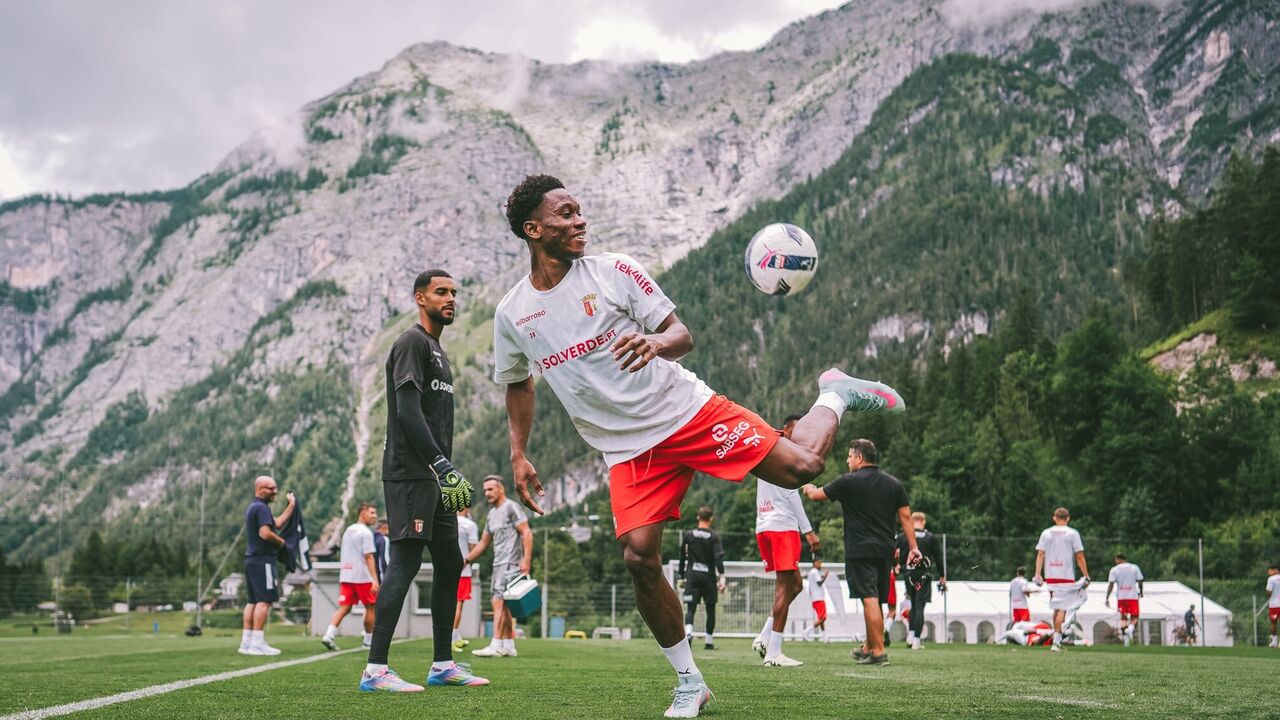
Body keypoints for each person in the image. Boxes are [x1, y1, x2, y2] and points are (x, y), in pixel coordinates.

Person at [492, 175, 904, 718]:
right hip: (627, 450)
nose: (579, 221)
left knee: (802, 467)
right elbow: (518, 382)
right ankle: (691, 681)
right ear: (533, 229)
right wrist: (519, 454)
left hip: (687, 413)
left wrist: (654, 342)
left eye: (579, 211)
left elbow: (680, 334)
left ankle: (834, 393)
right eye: (565, 214)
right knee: (639, 557)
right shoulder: (513, 313)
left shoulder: (614, 271)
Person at [360, 269, 486, 692]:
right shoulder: (412, 343)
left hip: (436, 476)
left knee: (450, 562)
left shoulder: (438, 350)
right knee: (406, 561)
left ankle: (442, 665)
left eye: (454, 292)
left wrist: (443, 469)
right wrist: (440, 464)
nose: (450, 298)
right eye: (441, 292)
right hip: (412, 472)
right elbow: (407, 412)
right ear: (420, 298)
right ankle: (375, 670)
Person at [803, 438, 920, 666]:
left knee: (869, 598)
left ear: (859, 457)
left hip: (860, 550)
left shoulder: (848, 481)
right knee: (875, 600)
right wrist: (913, 547)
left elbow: (817, 495)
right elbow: (906, 517)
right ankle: (869, 646)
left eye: (849, 457)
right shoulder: (893, 484)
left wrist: (807, 487)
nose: (847, 461)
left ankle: (878, 651)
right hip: (886, 550)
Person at [751, 414, 821, 667]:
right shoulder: (788, 453)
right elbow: (792, 496)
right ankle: (774, 653)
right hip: (782, 527)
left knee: (795, 585)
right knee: (784, 587)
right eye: (798, 429)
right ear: (788, 429)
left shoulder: (769, 449)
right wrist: (809, 531)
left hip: (765, 525)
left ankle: (764, 636)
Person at [467, 476, 533, 658]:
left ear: (501, 489)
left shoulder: (511, 507)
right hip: (498, 564)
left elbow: (526, 533)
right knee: (504, 605)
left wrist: (526, 560)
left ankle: (496, 645)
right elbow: (483, 543)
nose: (487, 493)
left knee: (498, 602)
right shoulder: (491, 515)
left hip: (511, 562)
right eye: (485, 490)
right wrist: (466, 560)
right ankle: (508, 645)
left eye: (490, 489)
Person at [239, 475, 295, 656]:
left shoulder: (255, 507)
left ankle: (246, 642)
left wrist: (291, 505)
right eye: (271, 488)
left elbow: (276, 523)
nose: (275, 491)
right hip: (263, 560)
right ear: (259, 489)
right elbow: (265, 533)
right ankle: (257, 644)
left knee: (252, 601)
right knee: (264, 601)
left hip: (251, 560)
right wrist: (281, 543)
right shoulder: (262, 508)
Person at [321, 503, 380, 650]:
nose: (375, 516)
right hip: (362, 577)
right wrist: (374, 579)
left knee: (345, 607)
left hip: (347, 575)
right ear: (363, 513)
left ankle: (329, 634)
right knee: (371, 607)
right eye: (372, 513)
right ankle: (368, 641)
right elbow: (368, 556)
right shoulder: (366, 532)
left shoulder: (349, 529)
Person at [1033, 507, 1088, 652]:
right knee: (1063, 608)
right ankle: (1056, 642)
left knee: (1057, 608)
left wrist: (1038, 574)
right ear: (1068, 518)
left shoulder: (1046, 533)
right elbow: (1079, 556)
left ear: (1054, 518)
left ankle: (1057, 640)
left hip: (1051, 576)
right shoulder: (1072, 533)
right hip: (1066, 576)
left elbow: (1040, 554)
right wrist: (1086, 575)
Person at [896, 512, 945, 650]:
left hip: (908, 575)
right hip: (923, 575)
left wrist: (897, 566)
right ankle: (916, 641)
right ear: (923, 522)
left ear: (912, 521)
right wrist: (942, 576)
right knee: (919, 606)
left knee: (913, 603)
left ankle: (911, 636)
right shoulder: (930, 537)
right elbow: (939, 558)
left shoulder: (903, 536)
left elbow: (896, 553)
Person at [679, 506, 725, 650]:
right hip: (708, 578)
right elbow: (718, 558)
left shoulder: (689, 535)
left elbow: (682, 557)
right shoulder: (714, 537)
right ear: (711, 519)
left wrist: (681, 576)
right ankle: (708, 642)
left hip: (692, 576)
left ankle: (688, 633)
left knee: (690, 608)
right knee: (710, 610)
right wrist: (722, 577)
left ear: (698, 517)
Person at [452, 506, 480, 650]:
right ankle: (452, 639)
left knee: (447, 603)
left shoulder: (448, 521)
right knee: (458, 604)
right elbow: (474, 548)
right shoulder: (470, 525)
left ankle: (456, 637)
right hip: (462, 570)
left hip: (446, 568)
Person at [1104, 553, 1144, 647]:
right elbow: (1140, 580)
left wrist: (1107, 597)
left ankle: (1126, 641)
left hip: (1121, 597)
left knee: (1123, 618)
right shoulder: (1134, 568)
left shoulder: (1114, 569)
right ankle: (1131, 629)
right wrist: (1141, 591)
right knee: (1134, 617)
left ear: (1118, 559)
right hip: (1132, 596)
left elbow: (1111, 584)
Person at [805, 558, 830, 642]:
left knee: (821, 618)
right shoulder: (815, 571)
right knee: (823, 618)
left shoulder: (812, 573)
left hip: (815, 598)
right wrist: (825, 576)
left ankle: (825, 637)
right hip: (818, 598)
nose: (820, 565)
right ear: (814, 563)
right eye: (819, 563)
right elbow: (819, 583)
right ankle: (807, 631)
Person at [1268, 565, 1280, 648]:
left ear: (1275, 570)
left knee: (1273, 622)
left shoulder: (1271, 579)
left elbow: (1269, 591)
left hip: (1274, 604)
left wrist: (1271, 596)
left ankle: (1274, 642)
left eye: (1269, 571)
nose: (1268, 573)